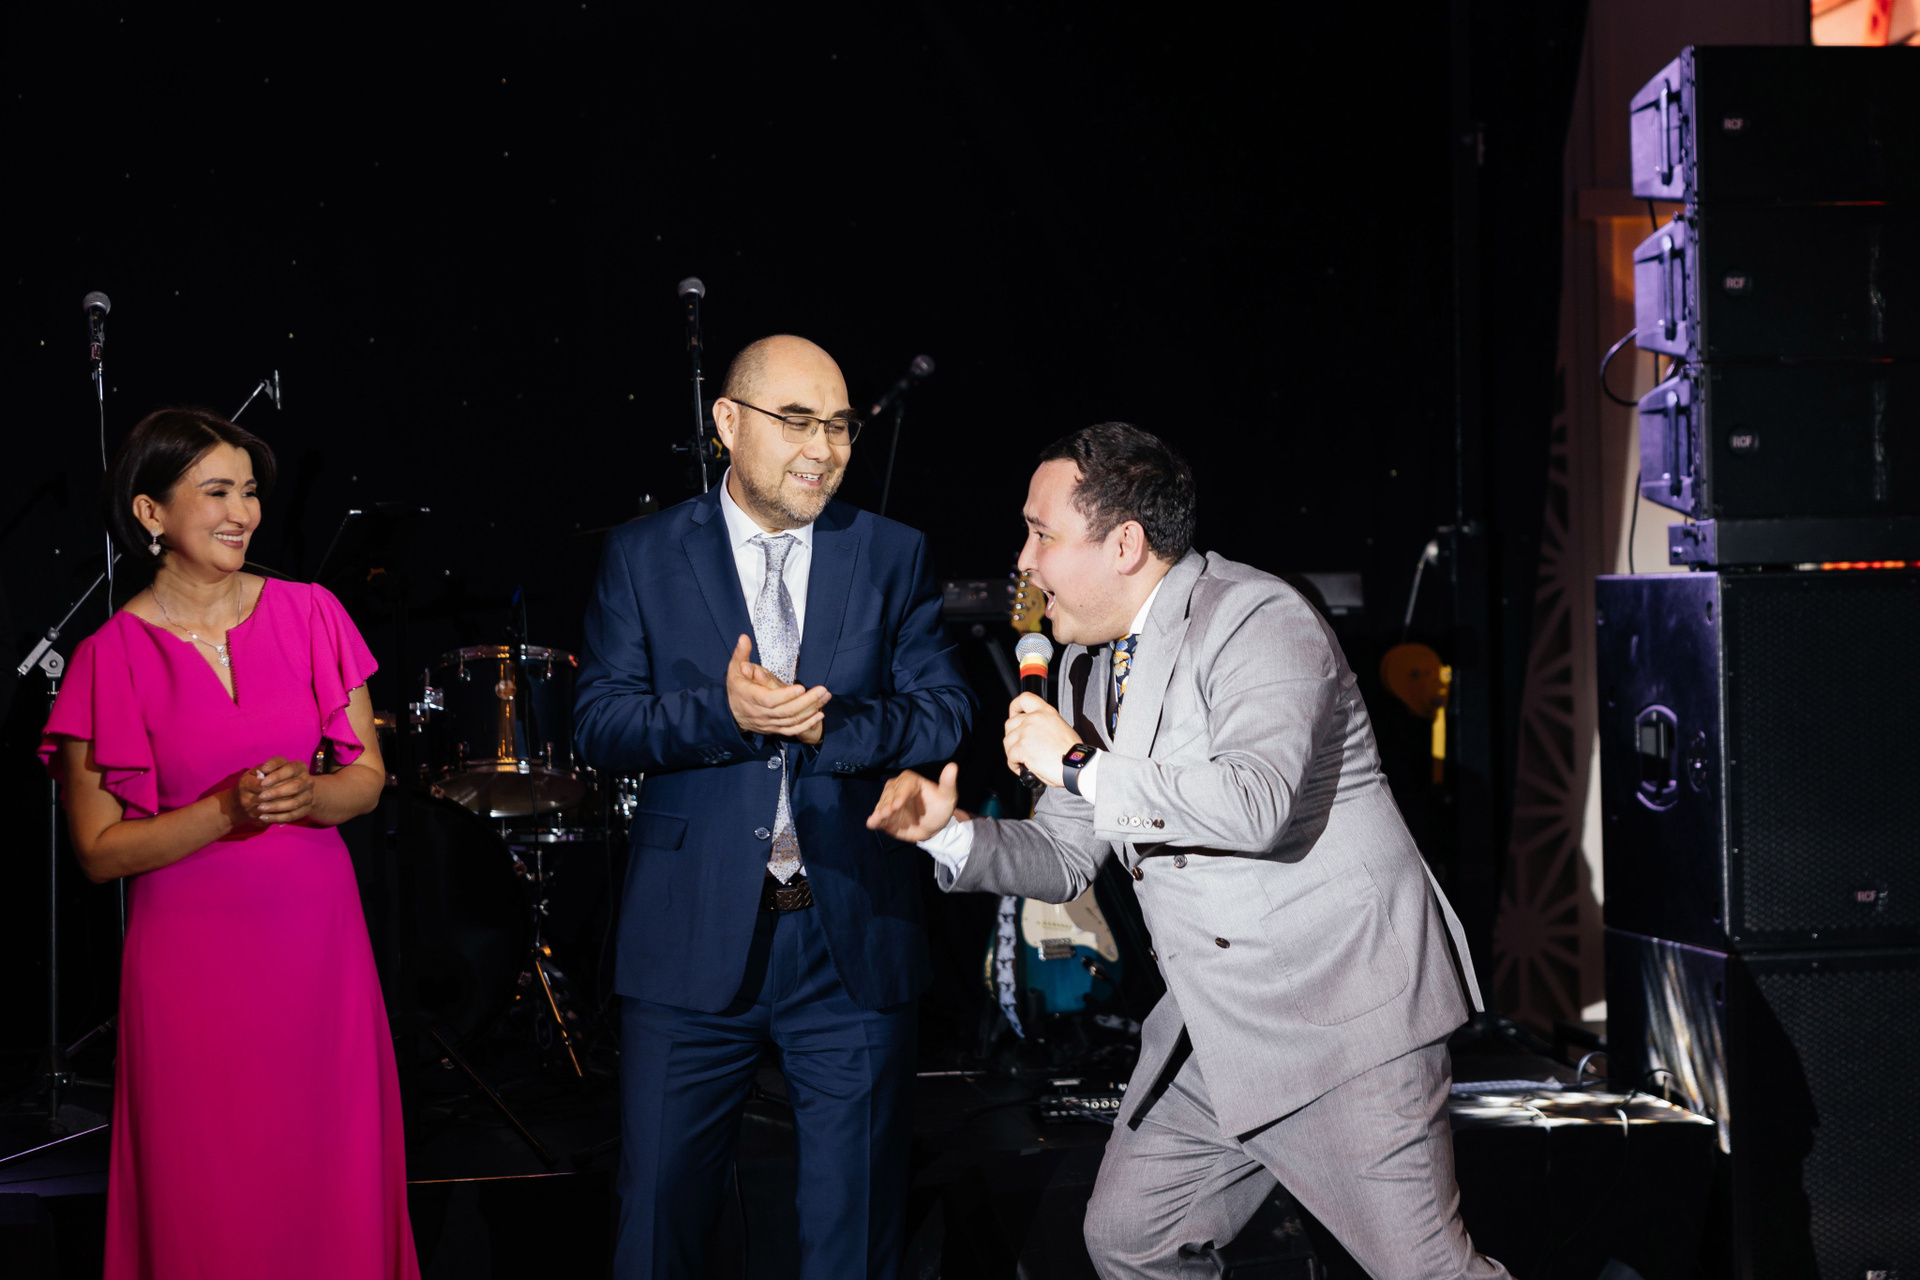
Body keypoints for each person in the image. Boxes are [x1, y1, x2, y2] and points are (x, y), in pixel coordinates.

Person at [868, 422, 1509, 1279]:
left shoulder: (1256, 619)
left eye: (1041, 534)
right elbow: (1064, 857)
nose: (1023, 562)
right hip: (1218, 1028)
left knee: (1428, 1273)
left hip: (1339, 1018)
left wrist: (1075, 761)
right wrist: (945, 831)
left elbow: (1254, 805)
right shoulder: (1086, 669)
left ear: (1124, 544)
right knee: (1133, 1238)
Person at [574, 334, 975, 1279]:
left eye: (838, 426)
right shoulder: (642, 554)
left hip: (849, 933)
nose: (822, 449)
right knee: (660, 1223)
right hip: (687, 934)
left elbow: (946, 708)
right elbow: (598, 722)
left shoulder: (890, 552)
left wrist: (829, 729)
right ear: (727, 422)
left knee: (855, 1229)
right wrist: (725, 715)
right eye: (796, 422)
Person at [40, 408, 417, 1279]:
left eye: (249, 492)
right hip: (191, 967)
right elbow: (98, 851)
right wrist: (222, 812)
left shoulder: (312, 612)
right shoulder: (106, 657)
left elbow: (366, 779)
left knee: (329, 1169)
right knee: (209, 1189)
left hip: (318, 949)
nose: (243, 513)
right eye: (217, 492)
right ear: (150, 513)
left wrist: (312, 794)